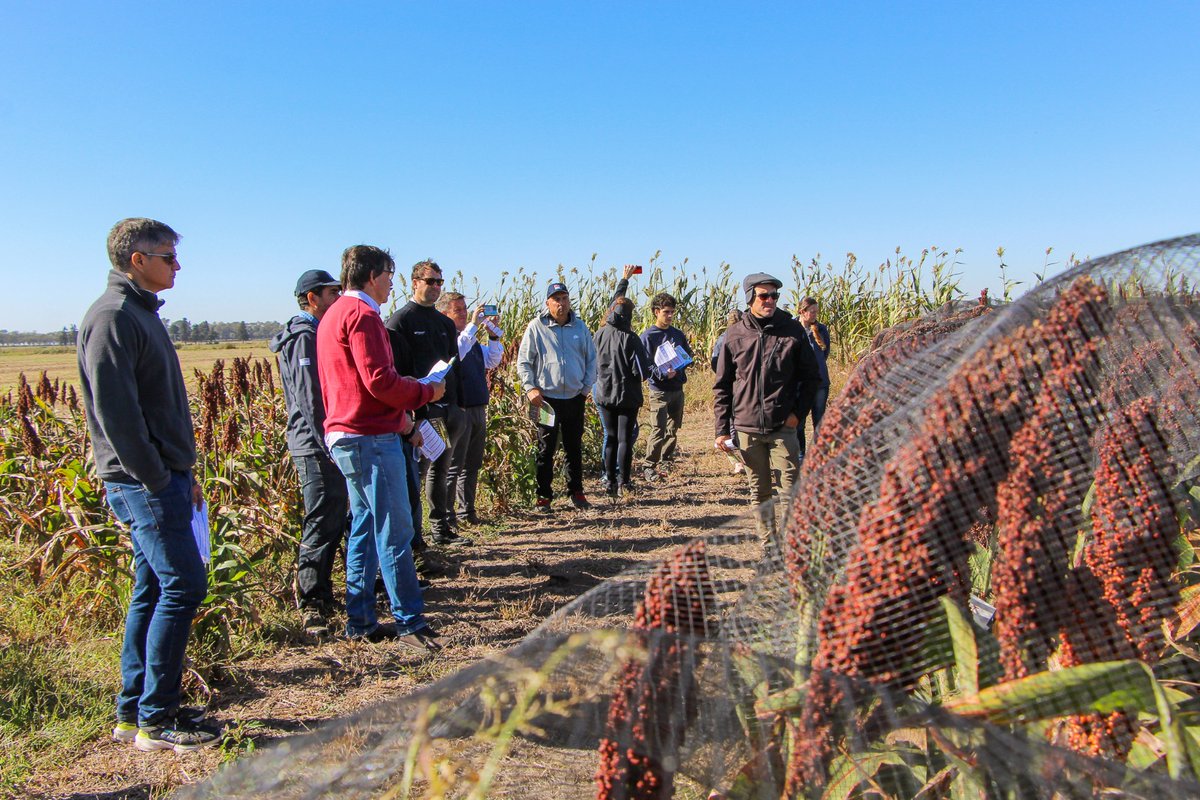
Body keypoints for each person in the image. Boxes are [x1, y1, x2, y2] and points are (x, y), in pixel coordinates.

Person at [78, 217, 220, 751]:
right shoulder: (114, 317)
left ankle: (133, 712)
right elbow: (119, 418)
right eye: (168, 256)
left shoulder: (139, 314)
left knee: (154, 587)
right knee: (184, 585)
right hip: (144, 482)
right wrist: (161, 478)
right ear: (137, 259)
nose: (177, 265)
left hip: (162, 477)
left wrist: (184, 473)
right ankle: (158, 721)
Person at [317, 244, 443, 650]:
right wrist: (426, 390)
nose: (392, 283)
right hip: (369, 435)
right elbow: (380, 381)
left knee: (366, 528)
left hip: (347, 434)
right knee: (395, 530)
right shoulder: (364, 315)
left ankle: (361, 620)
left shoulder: (334, 313)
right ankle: (410, 623)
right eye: (389, 274)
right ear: (372, 275)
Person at [268, 269, 347, 638]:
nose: (338, 298)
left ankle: (329, 592)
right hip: (314, 445)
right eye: (332, 293)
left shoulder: (316, 333)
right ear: (312, 298)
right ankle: (312, 602)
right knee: (320, 519)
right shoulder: (303, 338)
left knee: (335, 517)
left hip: (324, 442)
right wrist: (328, 442)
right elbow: (311, 398)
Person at [713, 272, 820, 540]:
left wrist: (797, 415)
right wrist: (722, 429)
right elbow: (723, 385)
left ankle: (795, 545)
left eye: (774, 296)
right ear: (750, 298)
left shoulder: (792, 330)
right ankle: (769, 545)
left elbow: (812, 378)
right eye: (764, 295)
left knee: (790, 489)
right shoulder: (735, 334)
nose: (770, 300)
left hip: (783, 425)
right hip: (747, 427)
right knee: (759, 490)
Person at [385, 260, 468, 547]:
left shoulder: (444, 323)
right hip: (417, 414)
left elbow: (453, 367)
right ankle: (412, 540)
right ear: (414, 282)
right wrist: (412, 414)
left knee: (442, 468)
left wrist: (456, 405)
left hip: (447, 410)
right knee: (414, 476)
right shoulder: (400, 321)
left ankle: (440, 529)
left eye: (439, 282)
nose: (435, 287)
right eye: (430, 281)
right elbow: (393, 372)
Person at [516, 280, 597, 513]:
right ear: (548, 303)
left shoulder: (580, 327)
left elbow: (592, 360)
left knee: (573, 446)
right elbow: (524, 361)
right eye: (556, 299)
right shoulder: (536, 327)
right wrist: (530, 388)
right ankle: (544, 496)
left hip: (574, 398)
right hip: (546, 400)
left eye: (564, 299)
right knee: (545, 448)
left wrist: (585, 389)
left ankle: (577, 492)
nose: (561, 304)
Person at [437, 292, 504, 524]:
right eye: (459, 310)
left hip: (477, 406)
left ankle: (468, 511)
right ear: (444, 314)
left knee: (472, 463)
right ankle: (446, 515)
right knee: (453, 464)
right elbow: (457, 353)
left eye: (466, 309)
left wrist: (493, 337)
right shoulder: (448, 339)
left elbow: (493, 361)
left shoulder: (471, 339)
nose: (465, 314)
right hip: (458, 409)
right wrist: (474, 326)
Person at [593, 296, 651, 496]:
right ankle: (624, 483)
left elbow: (591, 365)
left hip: (604, 393)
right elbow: (642, 372)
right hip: (627, 395)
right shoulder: (631, 338)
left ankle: (609, 482)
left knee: (610, 437)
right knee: (624, 439)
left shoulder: (598, 334)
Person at [640, 292, 693, 482]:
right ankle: (649, 465)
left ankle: (666, 460)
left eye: (672, 312)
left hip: (677, 388)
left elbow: (688, 355)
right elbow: (645, 364)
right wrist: (662, 373)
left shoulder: (677, 334)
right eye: (666, 312)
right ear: (656, 312)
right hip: (659, 390)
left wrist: (681, 364)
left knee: (673, 427)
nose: (670, 316)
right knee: (658, 428)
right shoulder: (648, 336)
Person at [710, 309, 745, 475]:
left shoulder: (722, 339)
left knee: (730, 427)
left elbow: (714, 363)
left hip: (728, 386)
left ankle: (738, 462)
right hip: (739, 387)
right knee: (738, 427)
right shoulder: (744, 336)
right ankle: (743, 461)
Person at [796, 296, 831, 454]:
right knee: (799, 422)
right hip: (799, 384)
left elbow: (825, 353)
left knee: (819, 420)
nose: (815, 314)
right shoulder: (792, 328)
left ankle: (819, 455)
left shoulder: (822, 329)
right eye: (812, 311)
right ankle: (801, 455)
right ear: (802, 312)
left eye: (817, 311)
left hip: (820, 382)